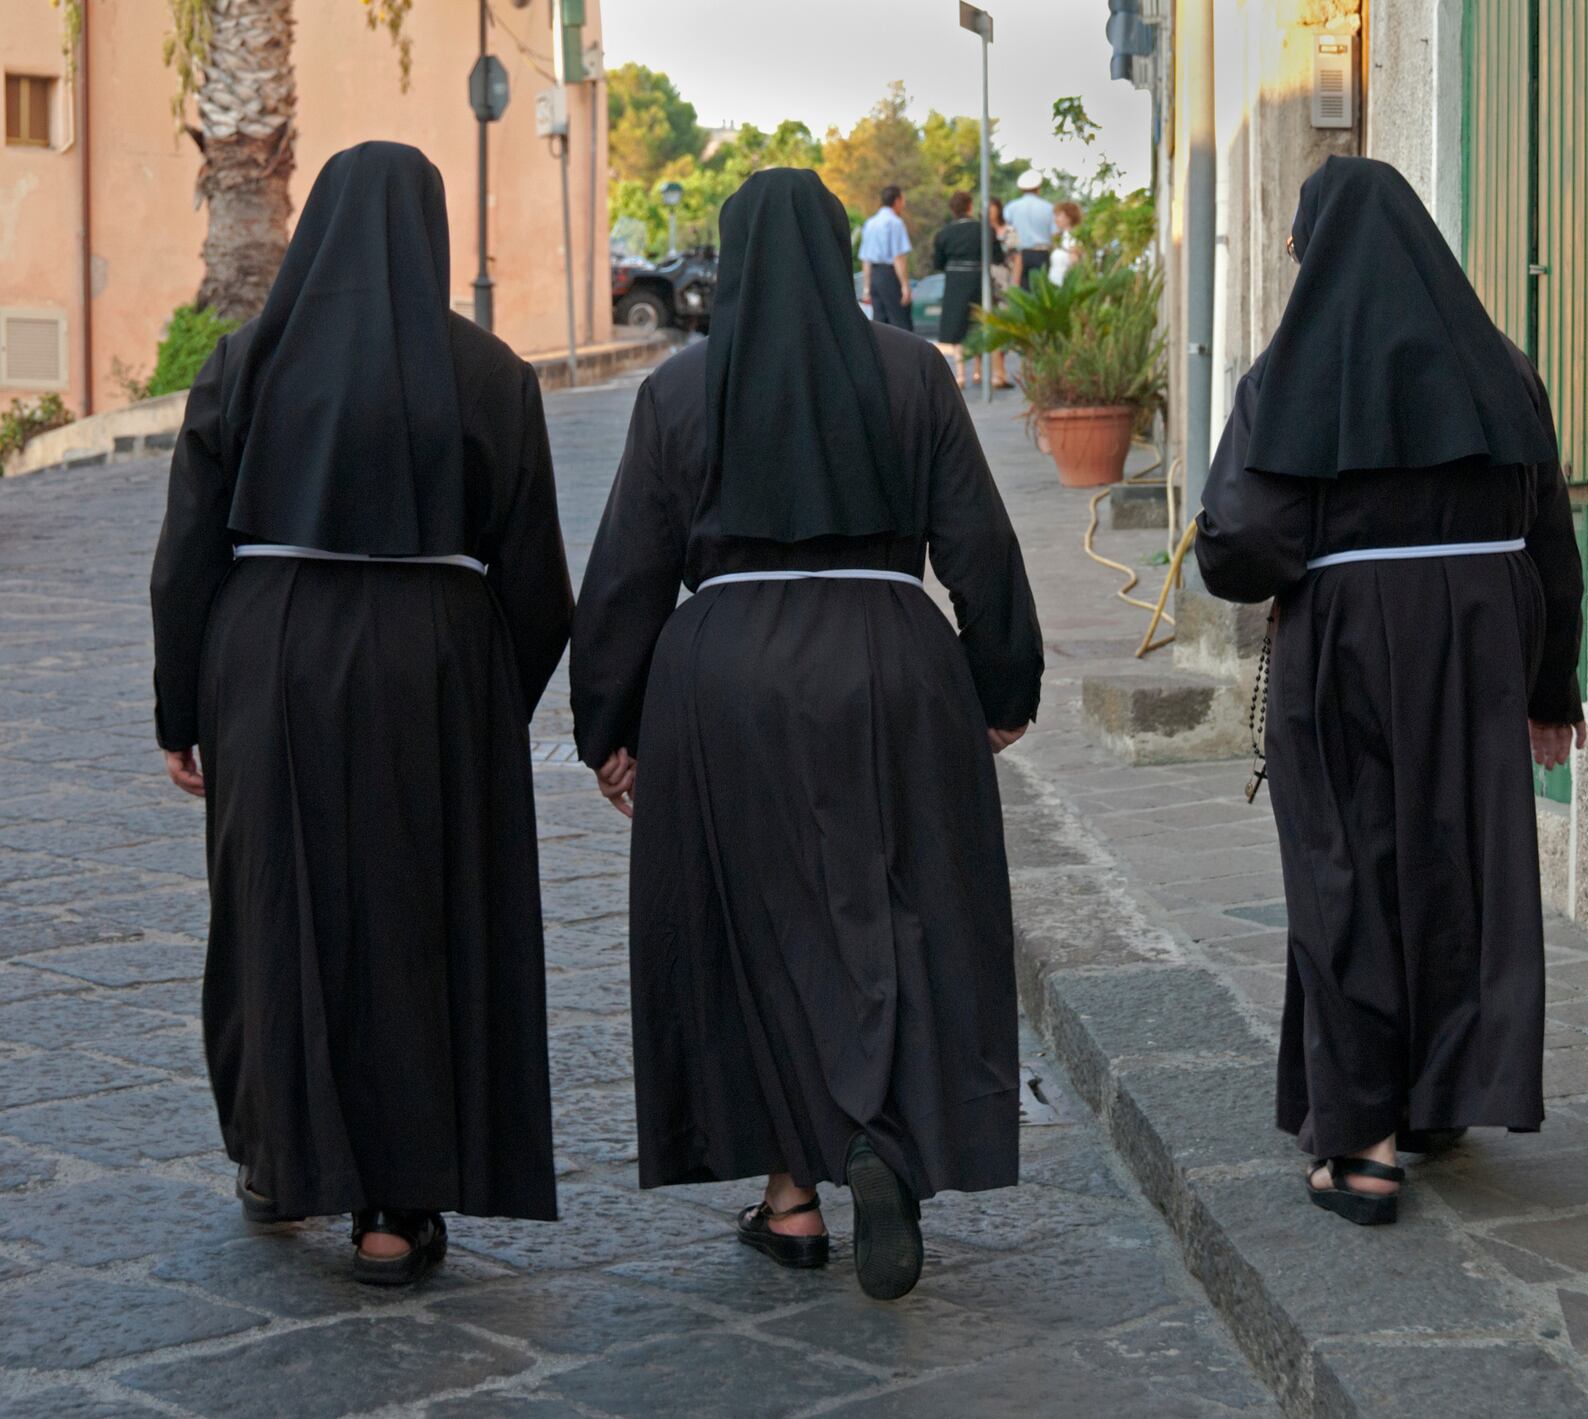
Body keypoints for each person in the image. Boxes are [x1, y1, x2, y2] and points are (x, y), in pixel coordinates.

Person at [569, 168, 1043, 1302]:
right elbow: (977, 541)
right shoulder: (912, 373)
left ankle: (789, 1197)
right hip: (888, 656)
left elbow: (629, 569)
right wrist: (999, 683)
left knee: (750, 927)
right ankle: (882, 1137)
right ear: (839, 252)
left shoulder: (680, 390)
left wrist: (609, 725)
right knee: (895, 910)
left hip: (720, 675)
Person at [148, 142, 573, 1285]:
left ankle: (281, 1162)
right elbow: (535, 580)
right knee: (420, 920)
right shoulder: (490, 375)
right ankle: (396, 1209)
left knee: (272, 907)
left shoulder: (243, 364)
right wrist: (489, 704)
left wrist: (179, 704)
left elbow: (186, 553)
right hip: (431, 659)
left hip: (268, 651)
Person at [1196, 156, 1585, 1227]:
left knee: (1345, 871)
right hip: (1480, 645)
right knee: (1458, 868)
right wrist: (1551, 686)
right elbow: (1550, 530)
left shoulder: (1288, 375)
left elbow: (1239, 544)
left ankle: (1362, 1138)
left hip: (1349, 644)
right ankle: (1439, 1096)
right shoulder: (1502, 366)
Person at [931, 189, 986, 386]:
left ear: (952, 210)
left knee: (956, 325)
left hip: (955, 280)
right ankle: (978, 372)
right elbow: (996, 255)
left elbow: (937, 262)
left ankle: (961, 374)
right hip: (978, 279)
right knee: (977, 322)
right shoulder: (982, 229)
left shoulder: (945, 232)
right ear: (970, 206)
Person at [859, 183, 914, 330]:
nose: (904, 204)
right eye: (903, 200)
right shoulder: (895, 223)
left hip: (875, 277)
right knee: (899, 322)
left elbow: (866, 259)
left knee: (880, 323)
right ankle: (903, 353)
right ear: (896, 201)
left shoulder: (870, 223)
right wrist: (905, 286)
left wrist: (866, 288)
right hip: (890, 275)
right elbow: (898, 257)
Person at [1004, 169, 1056, 289]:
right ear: (1038, 187)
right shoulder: (1049, 208)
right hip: (1042, 253)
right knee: (1041, 291)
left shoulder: (1011, 207)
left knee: (1022, 293)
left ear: (1021, 189)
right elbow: (1055, 233)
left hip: (1020, 255)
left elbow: (1009, 231)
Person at [986, 197, 1016, 388]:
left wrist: (1014, 284)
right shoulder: (979, 231)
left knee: (1005, 327)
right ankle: (996, 373)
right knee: (989, 328)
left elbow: (1016, 259)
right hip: (986, 283)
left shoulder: (1010, 231)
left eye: (992, 207)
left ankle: (1000, 370)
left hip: (1004, 282)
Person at [1049, 200, 1084, 287]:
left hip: (1064, 288)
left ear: (1069, 217)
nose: (1055, 219)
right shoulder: (1061, 237)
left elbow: (1074, 263)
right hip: (1054, 284)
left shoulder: (1074, 238)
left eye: (1058, 215)